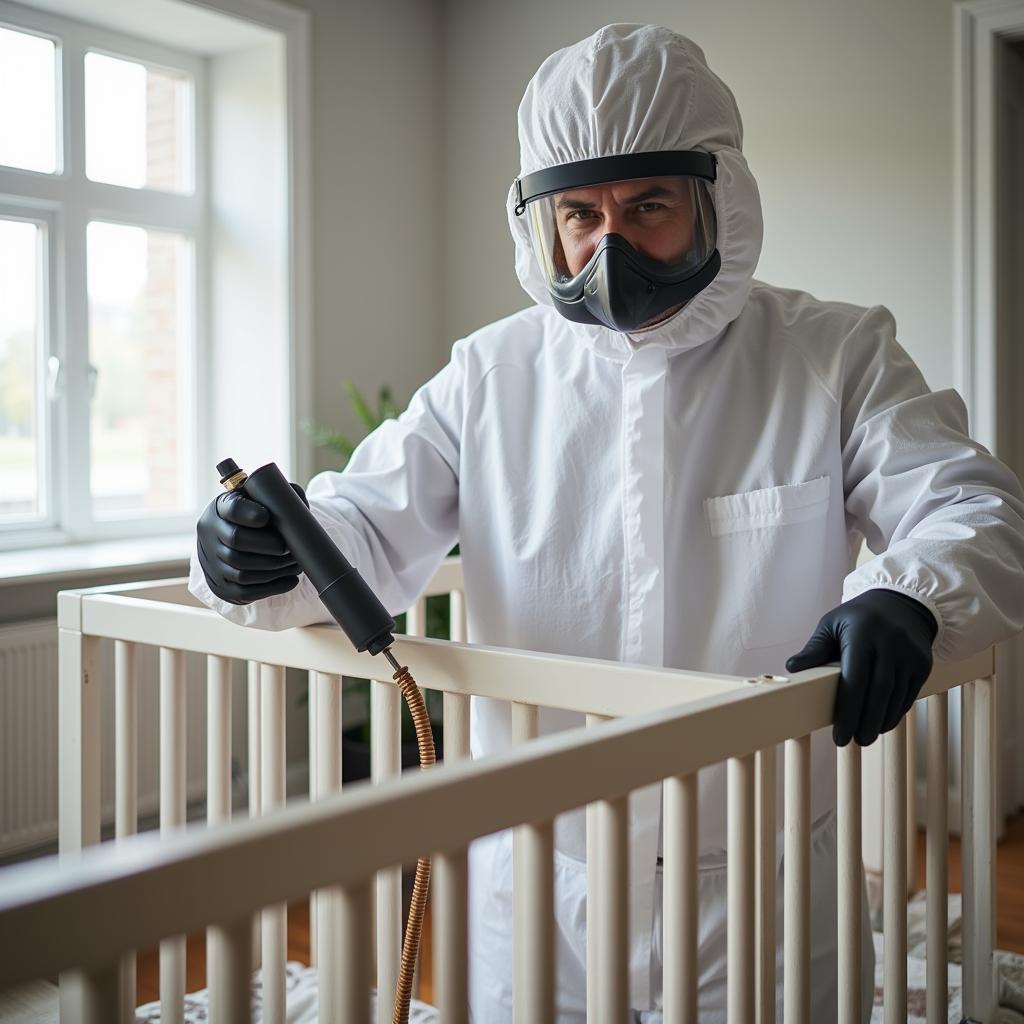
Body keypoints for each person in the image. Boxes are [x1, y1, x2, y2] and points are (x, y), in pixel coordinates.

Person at [191, 24, 1024, 1022]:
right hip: (539, 873)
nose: (609, 245)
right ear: (540, 222)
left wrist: (906, 596)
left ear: (716, 198)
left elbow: (970, 503)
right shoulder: (488, 375)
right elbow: (364, 529)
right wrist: (259, 555)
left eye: (649, 206)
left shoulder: (831, 354)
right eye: (579, 213)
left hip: (756, 875)